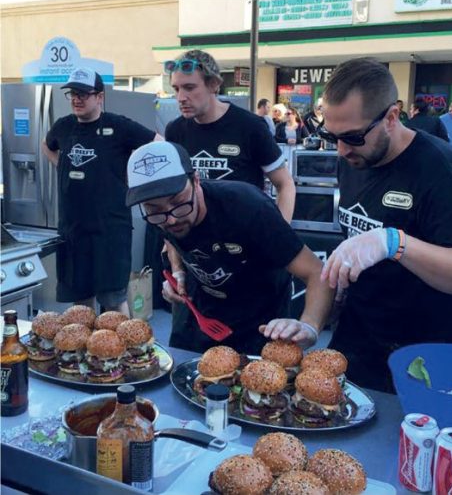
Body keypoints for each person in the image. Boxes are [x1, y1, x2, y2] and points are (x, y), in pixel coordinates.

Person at [309, 57, 452, 393]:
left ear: (392, 117)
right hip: (358, 346)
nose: (340, 150)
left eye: (352, 136)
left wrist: (395, 243)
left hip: (426, 363)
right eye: (330, 135)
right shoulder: (354, 158)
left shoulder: (443, 169)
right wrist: (312, 321)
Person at [126, 141, 333, 354]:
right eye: (155, 210)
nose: (170, 220)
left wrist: (310, 326)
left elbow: (316, 272)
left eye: (178, 202)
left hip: (258, 319)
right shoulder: (162, 217)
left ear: (196, 180)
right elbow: (170, 241)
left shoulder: (249, 208)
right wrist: (178, 273)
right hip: (200, 312)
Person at [42, 67, 163, 315]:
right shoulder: (63, 126)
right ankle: (86, 352)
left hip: (110, 230)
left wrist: (136, 177)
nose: (76, 99)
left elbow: (158, 144)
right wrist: (61, 165)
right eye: (73, 93)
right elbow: (47, 145)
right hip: (73, 229)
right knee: (80, 303)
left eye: (84, 94)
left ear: (99, 97)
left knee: (113, 300)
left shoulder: (118, 126)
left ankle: (120, 352)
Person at [163, 49, 295, 223]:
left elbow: (285, 185)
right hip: (195, 241)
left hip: (245, 239)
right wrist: (171, 243)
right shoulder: (175, 130)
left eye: (189, 87)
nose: (180, 97)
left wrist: (278, 237)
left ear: (213, 85)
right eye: (176, 88)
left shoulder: (250, 126)